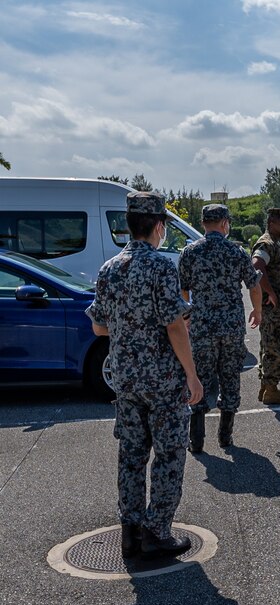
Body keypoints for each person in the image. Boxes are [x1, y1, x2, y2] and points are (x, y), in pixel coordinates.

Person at [86, 191, 204, 559]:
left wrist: (129, 325)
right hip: (162, 380)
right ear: (158, 226)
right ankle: (157, 531)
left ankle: (130, 530)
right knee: (169, 455)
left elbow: (99, 328)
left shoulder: (109, 268)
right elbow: (175, 326)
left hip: (124, 378)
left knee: (132, 455)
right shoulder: (160, 267)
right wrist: (192, 375)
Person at [177, 204, 263, 452]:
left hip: (201, 326)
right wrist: (257, 311)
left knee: (199, 379)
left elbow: (182, 289)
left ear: (204, 223)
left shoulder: (190, 253)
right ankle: (225, 437)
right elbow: (254, 286)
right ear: (225, 223)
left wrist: (187, 314)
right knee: (230, 378)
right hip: (231, 328)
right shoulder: (236, 252)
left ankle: (197, 441)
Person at [251, 208, 280, 405]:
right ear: (272, 222)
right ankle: (271, 389)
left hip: (274, 307)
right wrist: (270, 292)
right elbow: (256, 264)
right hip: (272, 307)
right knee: (275, 346)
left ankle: (266, 387)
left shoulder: (273, 243)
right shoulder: (266, 242)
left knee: (269, 344)